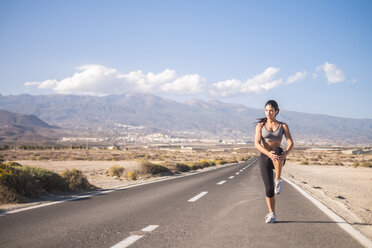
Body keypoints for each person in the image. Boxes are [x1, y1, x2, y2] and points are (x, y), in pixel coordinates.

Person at [254, 100, 294, 223]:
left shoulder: (283, 126)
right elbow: (257, 144)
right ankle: (272, 214)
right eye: (266, 110)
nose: (268, 112)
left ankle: (278, 179)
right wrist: (268, 154)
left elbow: (290, 142)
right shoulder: (260, 126)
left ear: (276, 111)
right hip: (266, 157)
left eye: (271, 110)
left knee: (277, 150)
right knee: (269, 189)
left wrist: (286, 152)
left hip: (279, 158)